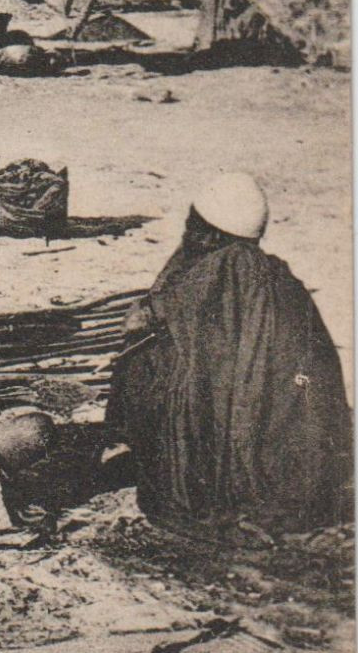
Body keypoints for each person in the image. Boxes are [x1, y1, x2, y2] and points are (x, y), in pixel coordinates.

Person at [105, 173, 352, 541]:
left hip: (230, 473)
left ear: (202, 227)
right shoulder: (281, 280)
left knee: (147, 370)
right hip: (309, 481)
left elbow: (156, 345)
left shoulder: (203, 277)